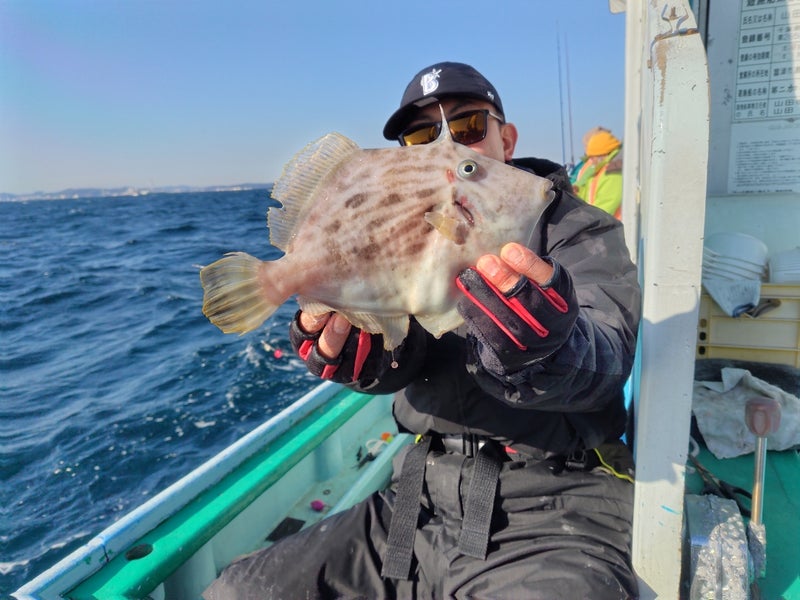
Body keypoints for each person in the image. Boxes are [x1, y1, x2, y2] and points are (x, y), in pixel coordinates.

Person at [204, 62, 641, 600]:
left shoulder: (578, 228)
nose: (444, 147)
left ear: (506, 138)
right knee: (237, 592)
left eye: (468, 127)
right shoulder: (411, 219)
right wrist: (365, 358)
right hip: (417, 499)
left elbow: (608, 354)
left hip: (554, 506)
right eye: (419, 136)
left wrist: (548, 346)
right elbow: (403, 348)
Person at [571, 126, 624, 219]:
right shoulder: (601, 169)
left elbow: (606, 205)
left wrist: (585, 221)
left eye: (592, 157)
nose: (591, 161)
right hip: (600, 223)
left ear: (602, 155)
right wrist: (575, 192)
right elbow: (589, 193)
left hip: (611, 226)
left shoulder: (613, 173)